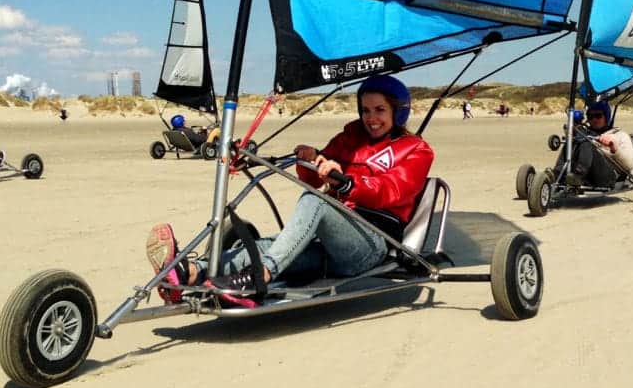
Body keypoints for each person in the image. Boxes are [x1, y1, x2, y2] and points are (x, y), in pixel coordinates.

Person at [146, 74, 435, 308]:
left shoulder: (417, 150)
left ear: (398, 111)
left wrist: (348, 182)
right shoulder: (350, 138)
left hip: (371, 244)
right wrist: (311, 160)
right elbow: (314, 179)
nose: (371, 118)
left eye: (380, 110)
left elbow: (393, 189)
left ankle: (260, 277)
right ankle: (190, 272)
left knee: (315, 201)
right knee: (270, 245)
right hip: (329, 245)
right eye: (365, 110)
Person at [556, 100, 633, 187]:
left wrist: (614, 148)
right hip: (587, 176)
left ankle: (579, 174)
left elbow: (630, 165)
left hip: (607, 176)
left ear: (606, 117)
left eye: (598, 116)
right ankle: (556, 173)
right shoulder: (585, 132)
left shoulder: (620, 135)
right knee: (573, 140)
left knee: (586, 140)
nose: (594, 119)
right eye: (590, 116)